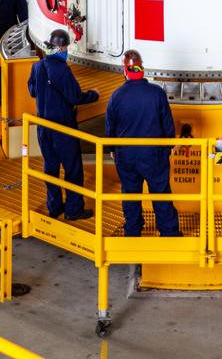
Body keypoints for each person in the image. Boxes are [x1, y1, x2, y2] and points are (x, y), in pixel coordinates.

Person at [105, 49, 180, 237]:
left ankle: (133, 231)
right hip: (153, 154)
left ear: (125, 71)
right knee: (160, 193)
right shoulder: (157, 93)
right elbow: (167, 124)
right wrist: (169, 146)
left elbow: (110, 127)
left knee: (131, 194)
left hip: (126, 155)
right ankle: (169, 232)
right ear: (142, 70)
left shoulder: (116, 96)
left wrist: (112, 149)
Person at [28, 29, 99, 221]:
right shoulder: (62, 69)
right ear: (61, 47)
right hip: (63, 128)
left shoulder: (38, 67)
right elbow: (75, 96)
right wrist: (94, 94)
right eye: (66, 47)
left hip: (43, 128)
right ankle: (73, 210)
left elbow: (32, 91)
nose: (67, 50)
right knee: (72, 168)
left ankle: (54, 207)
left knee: (50, 168)